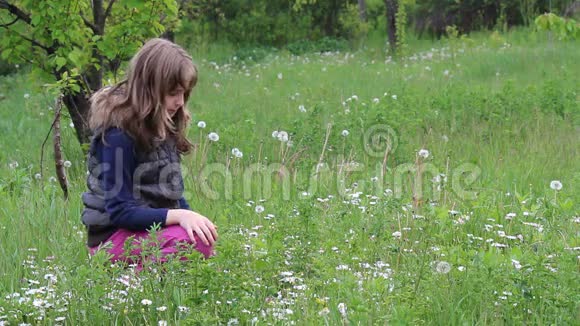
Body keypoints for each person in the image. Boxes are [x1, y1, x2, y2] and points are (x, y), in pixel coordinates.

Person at [81, 38, 218, 269]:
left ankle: (163, 277)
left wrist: (191, 218)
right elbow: (121, 212)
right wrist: (181, 218)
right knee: (191, 243)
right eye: (173, 93)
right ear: (150, 88)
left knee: (201, 239)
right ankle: (131, 287)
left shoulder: (163, 124)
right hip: (112, 239)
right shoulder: (118, 136)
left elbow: (172, 194)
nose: (180, 102)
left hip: (146, 231)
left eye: (184, 93)